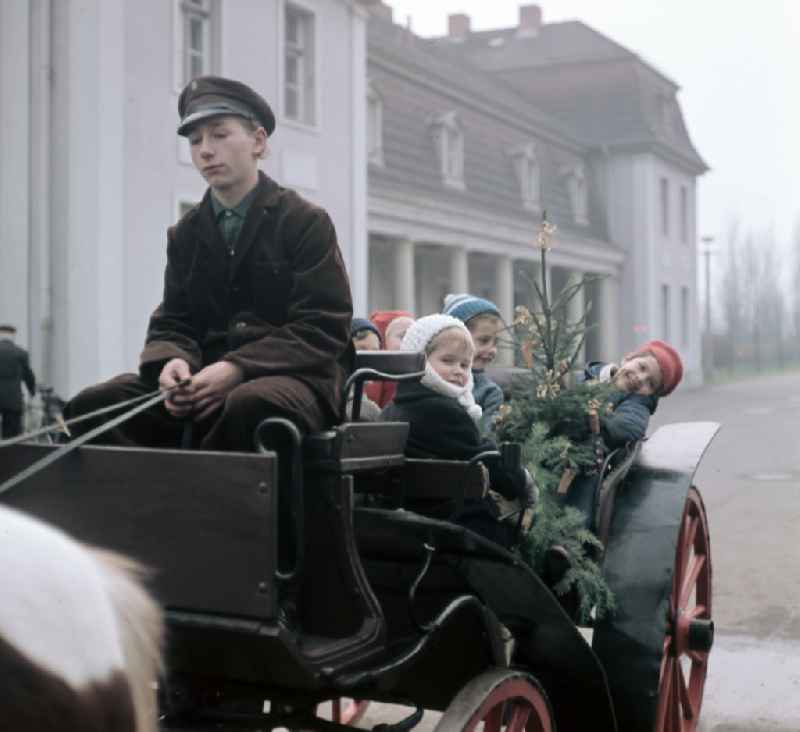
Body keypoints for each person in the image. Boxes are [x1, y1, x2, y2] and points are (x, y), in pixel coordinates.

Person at [63, 76, 353, 451]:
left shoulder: (304, 221)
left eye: (219, 135)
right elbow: (174, 321)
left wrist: (239, 368)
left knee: (249, 405)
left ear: (258, 142)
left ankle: (210, 507)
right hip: (203, 381)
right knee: (96, 405)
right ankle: (147, 505)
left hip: (298, 378)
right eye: (195, 140)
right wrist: (172, 364)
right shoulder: (185, 233)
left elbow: (323, 324)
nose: (205, 151)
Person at [381, 315, 530, 547]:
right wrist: (520, 480)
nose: (459, 371)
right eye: (448, 361)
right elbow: (483, 458)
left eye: (464, 364)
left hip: (408, 516)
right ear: (419, 361)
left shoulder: (394, 407)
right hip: (450, 523)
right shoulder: (442, 410)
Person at [442, 293, 505, 434]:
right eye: (484, 340)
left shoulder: (490, 392)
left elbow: (486, 436)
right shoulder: (433, 380)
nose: (492, 350)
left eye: (496, 342)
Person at [364, 310, 414, 408]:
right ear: (383, 339)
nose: (409, 340)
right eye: (403, 335)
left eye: (413, 334)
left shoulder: (421, 368)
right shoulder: (373, 374)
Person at [0, 325, 36, 439]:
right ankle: (8, 456)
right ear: (13, 336)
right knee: (11, 437)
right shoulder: (21, 353)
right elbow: (28, 376)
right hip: (13, 400)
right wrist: (32, 392)